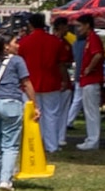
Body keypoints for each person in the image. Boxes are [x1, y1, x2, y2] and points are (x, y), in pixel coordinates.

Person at [0, 29, 31, 190]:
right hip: (12, 104)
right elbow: (26, 83)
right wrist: (34, 103)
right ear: (6, 47)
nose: (18, 45)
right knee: (10, 145)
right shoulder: (18, 61)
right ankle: (5, 180)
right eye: (15, 42)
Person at [18, 13, 72, 154]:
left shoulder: (24, 42)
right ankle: (52, 145)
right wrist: (65, 80)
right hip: (51, 82)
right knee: (52, 115)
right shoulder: (55, 42)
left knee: (32, 115)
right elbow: (61, 64)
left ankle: (34, 143)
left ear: (30, 25)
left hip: (30, 84)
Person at [70, 15, 105, 150]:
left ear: (87, 25)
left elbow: (98, 54)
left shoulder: (93, 39)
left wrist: (89, 68)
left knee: (91, 111)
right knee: (89, 110)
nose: (78, 29)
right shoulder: (89, 39)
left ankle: (93, 140)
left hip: (91, 79)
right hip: (87, 80)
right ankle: (91, 138)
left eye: (80, 26)